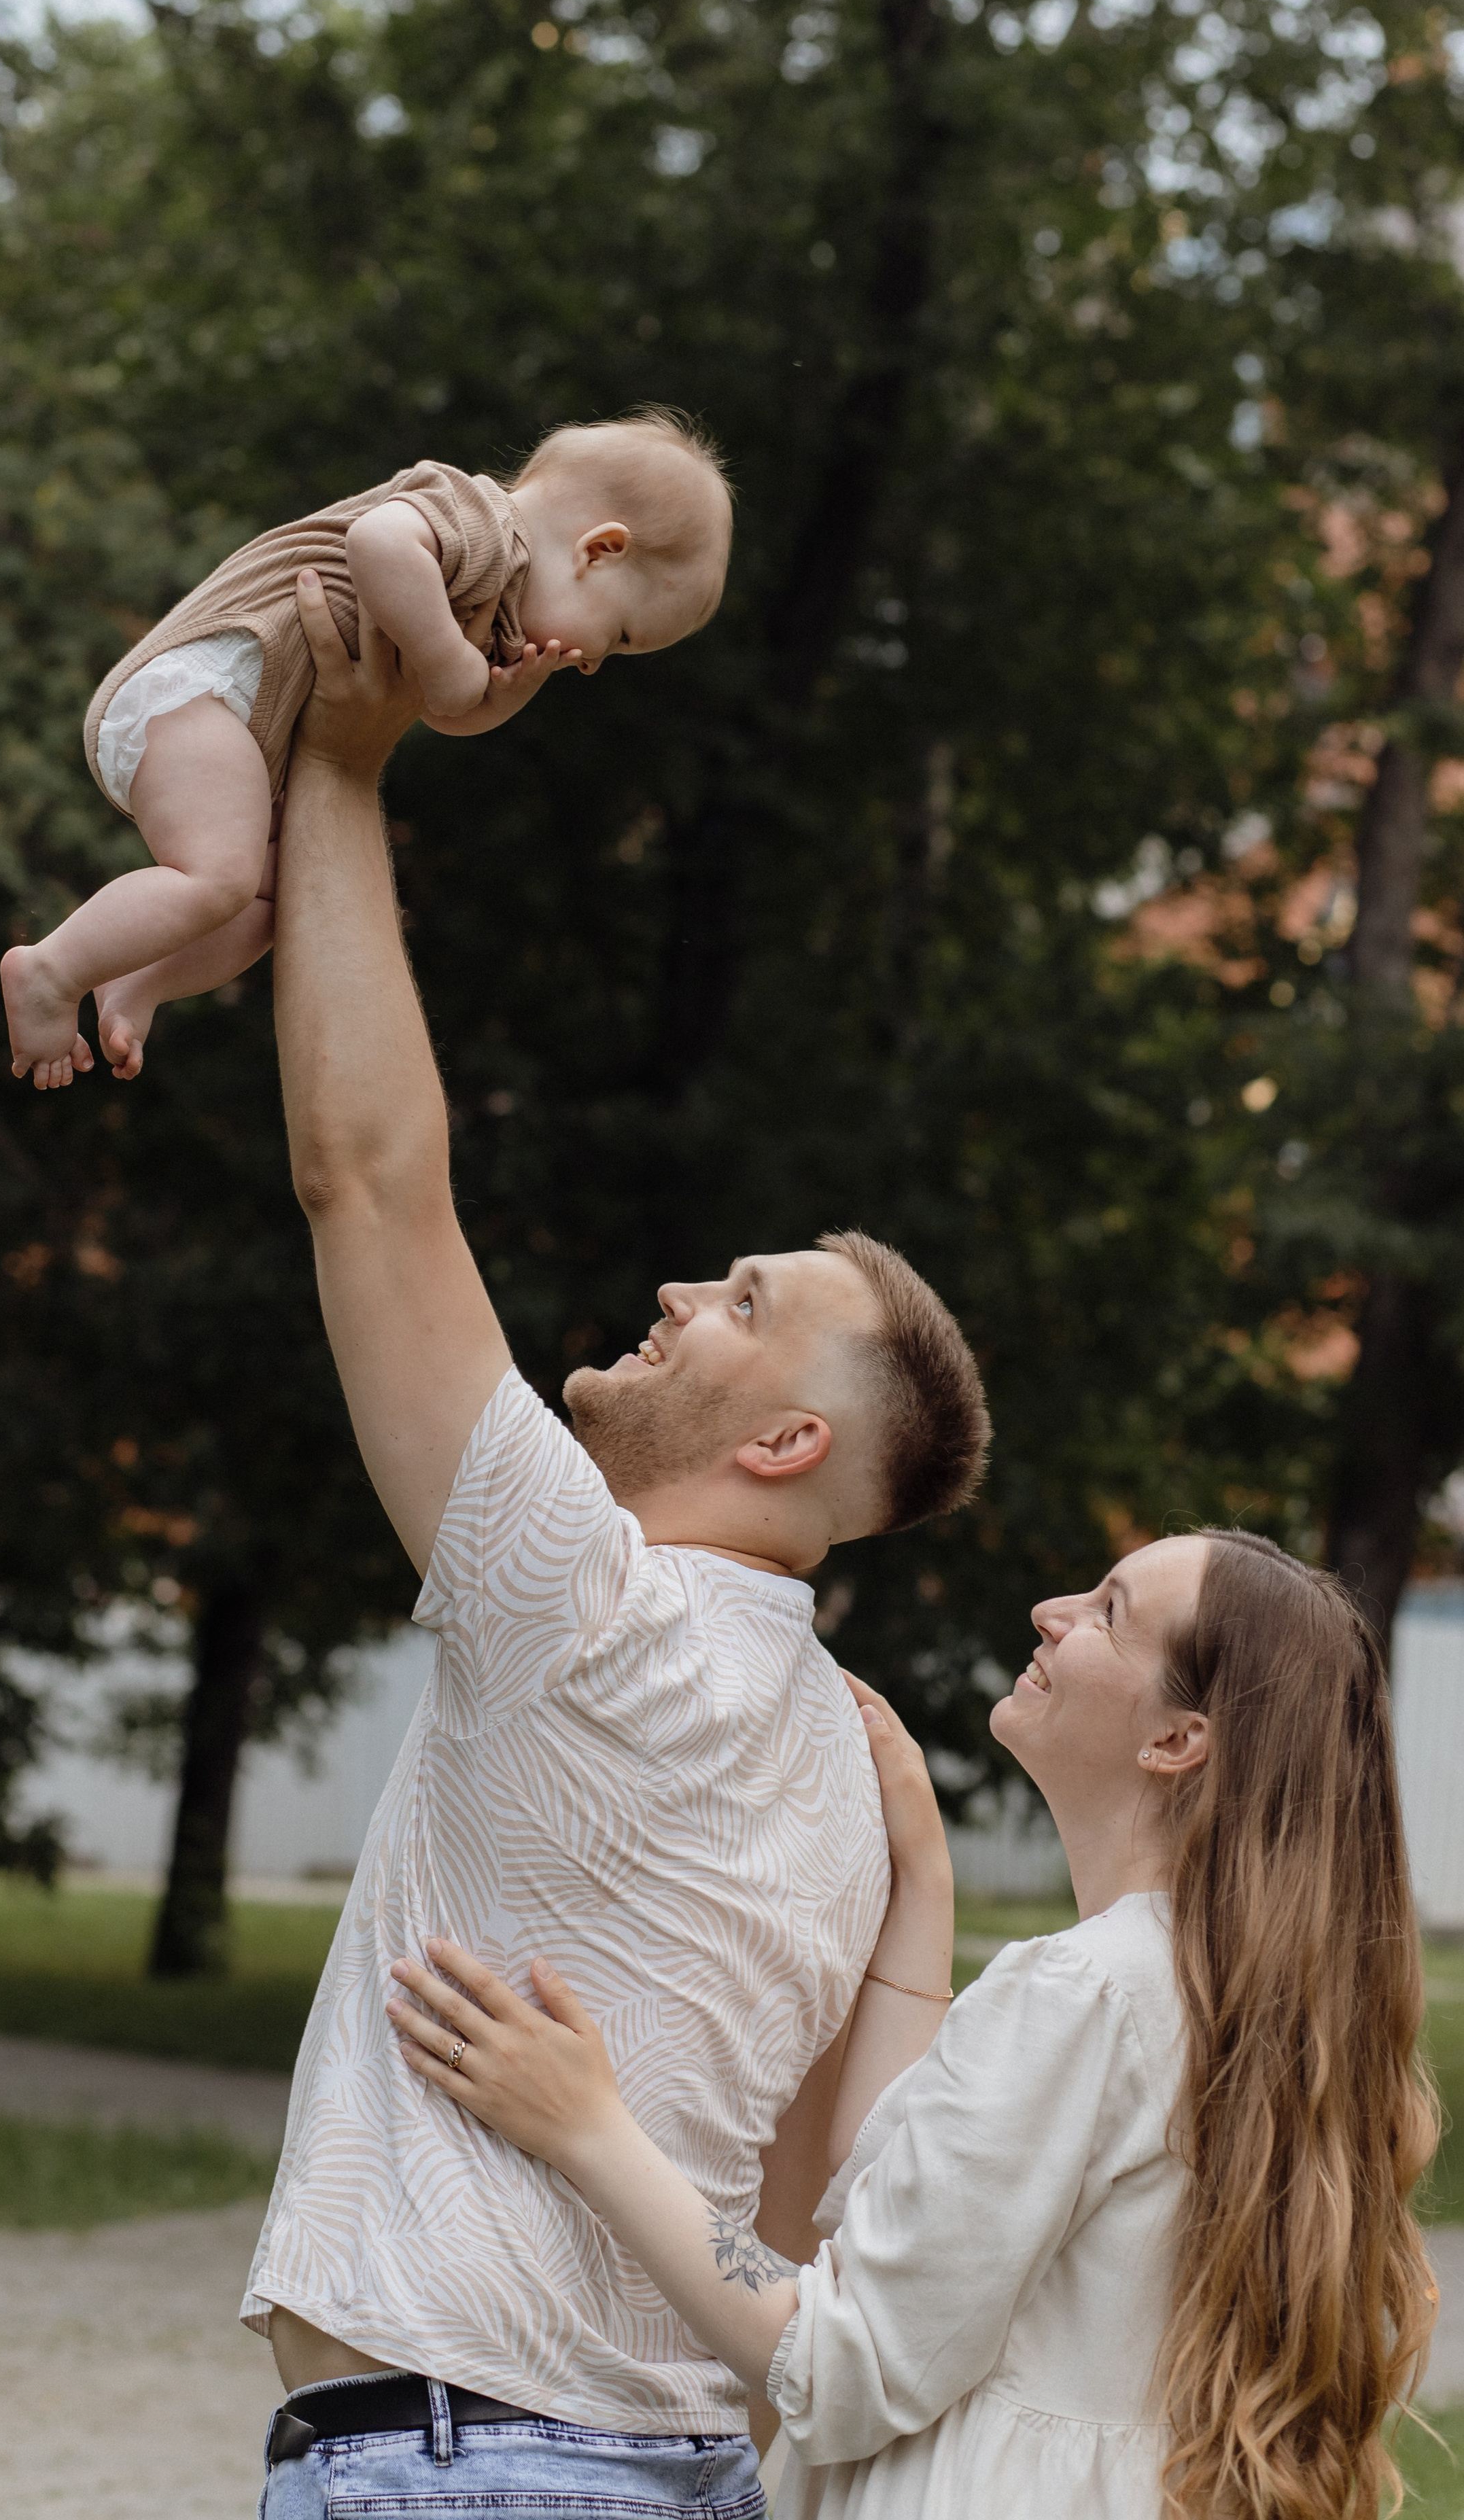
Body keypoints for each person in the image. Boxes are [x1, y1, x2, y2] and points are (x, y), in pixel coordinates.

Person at [239, 578, 992, 2517]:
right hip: (673, 2474)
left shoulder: (584, 1602)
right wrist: (918, 1893)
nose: (680, 1290)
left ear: (790, 1438)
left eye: (738, 1300)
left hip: (456, 2472)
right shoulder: (849, 1762)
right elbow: (806, 2219)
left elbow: (371, 1181)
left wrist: (338, 755)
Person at [392, 1530, 1441, 2520]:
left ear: (1177, 1740)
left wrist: (589, 2129)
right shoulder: (1200, 1996)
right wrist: (923, 1874)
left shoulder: (1086, 1990)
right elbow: (906, 2199)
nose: (1052, 1612)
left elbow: (835, 2360)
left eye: (1109, 1613)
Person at [0, 408, 733, 1089]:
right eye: (623, 637)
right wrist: (451, 660)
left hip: (241, 733)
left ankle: (136, 977)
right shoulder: (481, 522)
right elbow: (378, 541)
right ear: (600, 550)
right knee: (219, 877)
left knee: (273, 900)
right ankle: (51, 968)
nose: (596, 662)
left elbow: (442, 709)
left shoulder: (493, 606)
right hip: (204, 689)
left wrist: (495, 695)